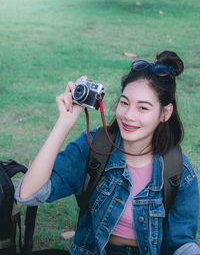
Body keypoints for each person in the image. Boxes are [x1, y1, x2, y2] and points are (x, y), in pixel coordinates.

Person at [15, 51, 200, 255]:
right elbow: (28, 194)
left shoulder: (178, 169)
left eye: (143, 108)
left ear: (165, 113)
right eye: (124, 103)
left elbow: (181, 243)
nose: (129, 115)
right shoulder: (96, 147)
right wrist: (64, 123)